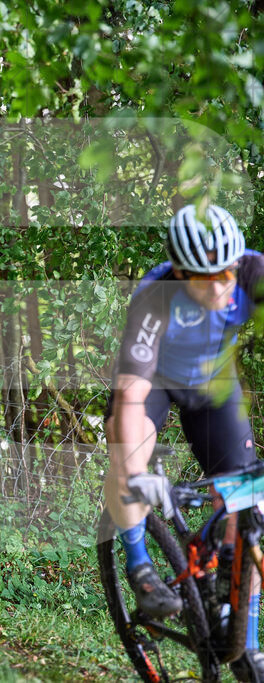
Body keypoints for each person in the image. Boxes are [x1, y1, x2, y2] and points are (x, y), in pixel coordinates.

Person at [104, 204, 264, 680]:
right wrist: (136, 475)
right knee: (123, 441)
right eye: (204, 277)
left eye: (226, 274)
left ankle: (245, 637)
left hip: (213, 387)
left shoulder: (254, 271)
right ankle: (140, 567)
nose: (220, 286)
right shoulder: (156, 296)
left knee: (250, 511)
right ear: (179, 271)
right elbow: (131, 395)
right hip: (154, 384)